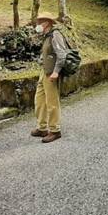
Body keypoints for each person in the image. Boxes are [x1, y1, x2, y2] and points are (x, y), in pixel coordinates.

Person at [31, 12, 68, 143]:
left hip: (52, 73)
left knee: (52, 102)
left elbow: (62, 55)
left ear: (47, 22)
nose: (38, 24)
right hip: (44, 72)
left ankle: (55, 130)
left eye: (40, 21)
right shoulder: (47, 35)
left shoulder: (55, 34)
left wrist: (56, 72)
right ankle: (42, 128)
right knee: (39, 100)